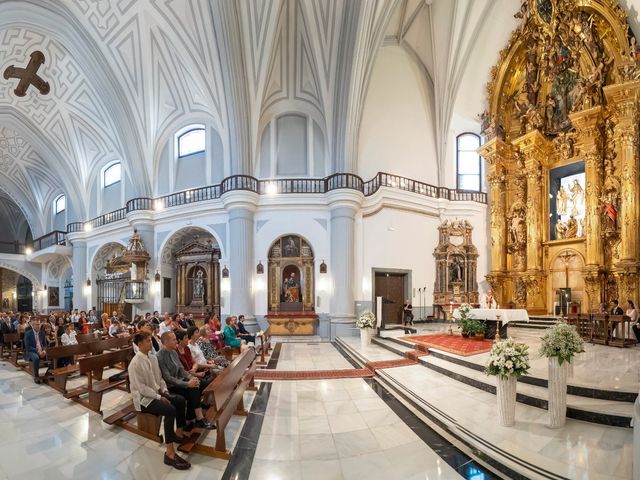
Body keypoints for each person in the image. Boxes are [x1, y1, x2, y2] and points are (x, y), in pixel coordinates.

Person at [128, 331, 191, 470]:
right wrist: (159, 397)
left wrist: (165, 392)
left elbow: (160, 378)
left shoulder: (153, 357)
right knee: (169, 410)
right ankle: (169, 453)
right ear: (139, 344)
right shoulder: (135, 363)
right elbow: (141, 388)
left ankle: (178, 433)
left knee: (179, 400)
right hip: (144, 400)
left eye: (151, 340)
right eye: (147, 341)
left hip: (157, 393)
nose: (151, 343)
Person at [157, 332, 215, 431]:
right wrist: (187, 383)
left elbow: (181, 370)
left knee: (201, 383)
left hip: (180, 381)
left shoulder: (174, 352)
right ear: (166, 342)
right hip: (171, 386)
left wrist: (191, 377)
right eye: (174, 339)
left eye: (176, 338)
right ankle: (198, 418)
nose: (176, 341)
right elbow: (168, 378)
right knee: (193, 388)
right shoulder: (160, 356)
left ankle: (191, 417)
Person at [23, 318, 47, 384]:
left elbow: (45, 344)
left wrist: (44, 350)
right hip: (31, 351)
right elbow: (28, 346)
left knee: (54, 355)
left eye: (39, 324)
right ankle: (36, 376)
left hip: (41, 351)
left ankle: (48, 374)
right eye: (36, 325)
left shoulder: (42, 333)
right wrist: (38, 351)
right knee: (36, 358)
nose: (38, 326)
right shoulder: (28, 333)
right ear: (33, 325)